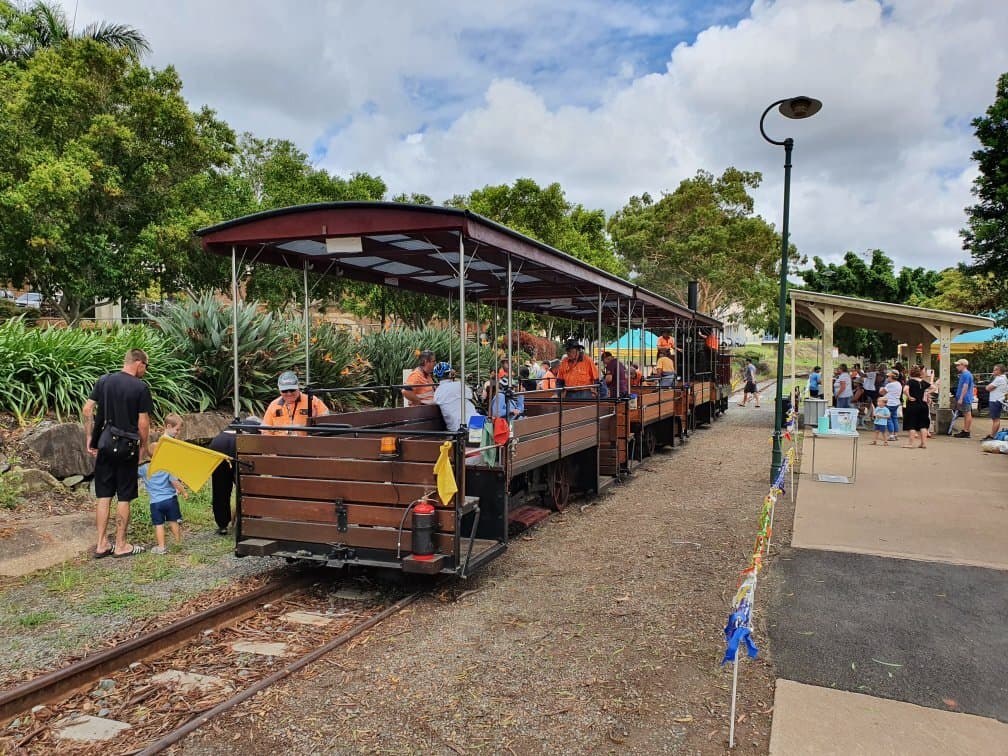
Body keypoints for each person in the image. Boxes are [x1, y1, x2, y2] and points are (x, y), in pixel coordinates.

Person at [82, 348, 153, 559]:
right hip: (127, 447)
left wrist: (90, 436)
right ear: (139, 363)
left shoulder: (104, 380)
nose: (145, 371)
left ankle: (101, 544)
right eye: (146, 366)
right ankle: (121, 544)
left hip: (105, 443)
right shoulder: (140, 387)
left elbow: (87, 409)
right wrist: (143, 446)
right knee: (124, 496)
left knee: (103, 495)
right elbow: (143, 423)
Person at [138, 415, 187, 554]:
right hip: (170, 499)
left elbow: (134, 471)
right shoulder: (166, 467)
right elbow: (174, 481)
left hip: (155, 503)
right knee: (173, 521)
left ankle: (161, 547)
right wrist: (183, 491)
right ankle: (178, 542)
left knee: (158, 525)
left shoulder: (144, 469)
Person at [208, 417, 261, 535]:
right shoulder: (258, 427)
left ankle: (222, 525)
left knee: (220, 488)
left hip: (218, 444)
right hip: (239, 443)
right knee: (247, 486)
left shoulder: (234, 424)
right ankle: (250, 519)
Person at [263, 371, 330, 434]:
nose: (289, 394)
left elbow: (327, 423)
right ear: (279, 390)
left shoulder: (312, 401)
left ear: (298, 386)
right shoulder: (273, 405)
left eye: (292, 390)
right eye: (284, 391)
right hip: (279, 441)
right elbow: (265, 431)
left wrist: (315, 420)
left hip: (305, 441)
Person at [432, 362, 479, 432]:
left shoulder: (437, 393)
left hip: (453, 427)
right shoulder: (458, 385)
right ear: (449, 374)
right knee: (490, 424)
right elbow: (470, 395)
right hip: (471, 423)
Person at [902, 365, 931, 448]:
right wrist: (927, 393)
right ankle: (923, 443)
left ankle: (910, 444)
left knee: (912, 424)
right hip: (923, 405)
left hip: (913, 405)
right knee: (923, 425)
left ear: (911, 373)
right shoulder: (923, 382)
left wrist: (909, 396)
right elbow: (934, 387)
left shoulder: (910, 381)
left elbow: (905, 389)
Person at [951, 358, 975, 438]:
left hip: (965, 397)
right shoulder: (964, 374)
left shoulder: (966, 375)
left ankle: (966, 431)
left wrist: (961, 398)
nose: (957, 367)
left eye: (958, 365)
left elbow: (965, 386)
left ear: (963, 365)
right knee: (966, 413)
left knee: (967, 413)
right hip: (965, 397)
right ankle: (965, 430)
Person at [984, 364, 1007, 440]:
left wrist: (989, 386)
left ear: (999, 371)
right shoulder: (1003, 378)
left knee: (995, 419)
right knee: (996, 419)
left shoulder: (999, 379)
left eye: (995, 370)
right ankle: (993, 434)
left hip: (995, 400)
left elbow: (988, 388)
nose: (993, 371)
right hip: (999, 399)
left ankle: (992, 435)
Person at [880, 370, 902, 441]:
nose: (887, 378)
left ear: (892, 377)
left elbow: (882, 393)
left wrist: (881, 388)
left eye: (888, 376)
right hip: (896, 403)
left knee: (888, 419)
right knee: (894, 418)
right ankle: (896, 434)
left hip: (889, 403)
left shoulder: (889, 385)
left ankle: (891, 435)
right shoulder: (899, 384)